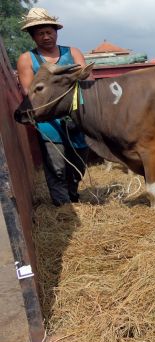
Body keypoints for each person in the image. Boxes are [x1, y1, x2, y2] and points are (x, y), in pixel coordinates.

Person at [16, 8, 89, 206]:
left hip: (76, 115)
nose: (47, 37)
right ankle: (62, 206)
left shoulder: (72, 52)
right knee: (56, 165)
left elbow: (86, 76)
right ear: (33, 37)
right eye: (41, 33)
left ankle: (73, 194)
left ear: (56, 32)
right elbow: (29, 92)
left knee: (79, 161)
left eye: (50, 32)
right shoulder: (26, 59)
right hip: (48, 119)